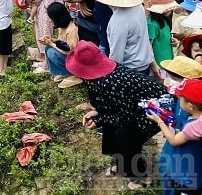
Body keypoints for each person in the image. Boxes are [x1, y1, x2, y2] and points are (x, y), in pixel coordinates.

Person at [68, 41, 164, 188]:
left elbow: (126, 117)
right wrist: (97, 112)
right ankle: (122, 165)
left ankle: (141, 178)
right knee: (111, 128)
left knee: (127, 135)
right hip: (132, 105)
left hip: (156, 107)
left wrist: (100, 119)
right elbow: (108, 104)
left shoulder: (109, 82)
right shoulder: (94, 78)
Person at [84, 0, 153, 75]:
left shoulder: (119, 20)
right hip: (143, 61)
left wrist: (111, 75)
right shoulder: (138, 7)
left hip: (131, 68)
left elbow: (116, 56)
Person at [40, 2, 81, 88]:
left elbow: (71, 52)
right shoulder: (62, 27)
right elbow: (61, 42)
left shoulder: (71, 30)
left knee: (52, 52)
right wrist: (51, 40)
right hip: (67, 54)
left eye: (51, 18)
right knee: (48, 48)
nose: (50, 20)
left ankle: (73, 73)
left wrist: (51, 43)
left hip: (74, 59)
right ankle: (62, 71)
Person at [145, 0, 179, 78]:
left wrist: (173, 41)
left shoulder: (164, 20)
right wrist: (154, 65)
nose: (170, 10)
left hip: (168, 62)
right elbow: (148, 46)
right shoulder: (152, 24)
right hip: (159, 64)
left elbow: (163, 37)